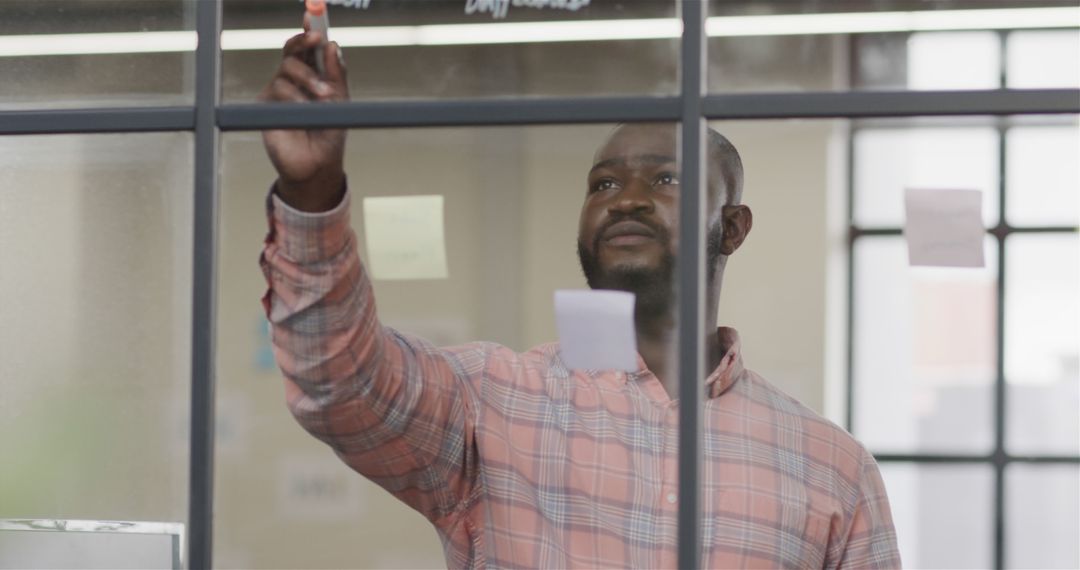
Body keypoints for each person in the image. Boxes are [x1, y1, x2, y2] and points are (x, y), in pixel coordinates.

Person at [259, 28, 902, 569]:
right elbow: (340, 381)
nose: (626, 198)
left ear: (731, 227)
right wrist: (311, 194)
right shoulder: (492, 403)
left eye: (668, 177)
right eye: (603, 183)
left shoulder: (830, 466)